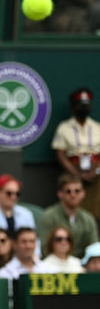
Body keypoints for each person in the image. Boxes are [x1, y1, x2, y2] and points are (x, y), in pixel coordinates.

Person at [52, 87, 100, 220]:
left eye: (87, 105)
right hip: (73, 170)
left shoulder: (97, 127)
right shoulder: (64, 127)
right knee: (73, 207)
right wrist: (76, 174)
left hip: (95, 173)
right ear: (73, 107)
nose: (84, 108)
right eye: (80, 105)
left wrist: (97, 172)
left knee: (96, 209)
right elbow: (60, 154)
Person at [39, 174, 99, 259]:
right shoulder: (49, 216)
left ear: (83, 193)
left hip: (82, 266)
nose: (73, 195)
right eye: (68, 191)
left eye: (77, 191)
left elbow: (94, 248)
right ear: (60, 194)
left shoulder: (88, 219)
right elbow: (44, 248)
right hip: (55, 266)